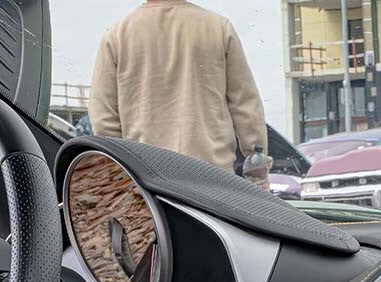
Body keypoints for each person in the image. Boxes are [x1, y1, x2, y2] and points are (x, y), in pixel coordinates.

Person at [88, 0, 268, 172]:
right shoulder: (218, 28)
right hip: (211, 172)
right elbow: (245, 104)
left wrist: (124, 168)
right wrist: (257, 161)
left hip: (146, 174)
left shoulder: (117, 35)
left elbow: (103, 118)